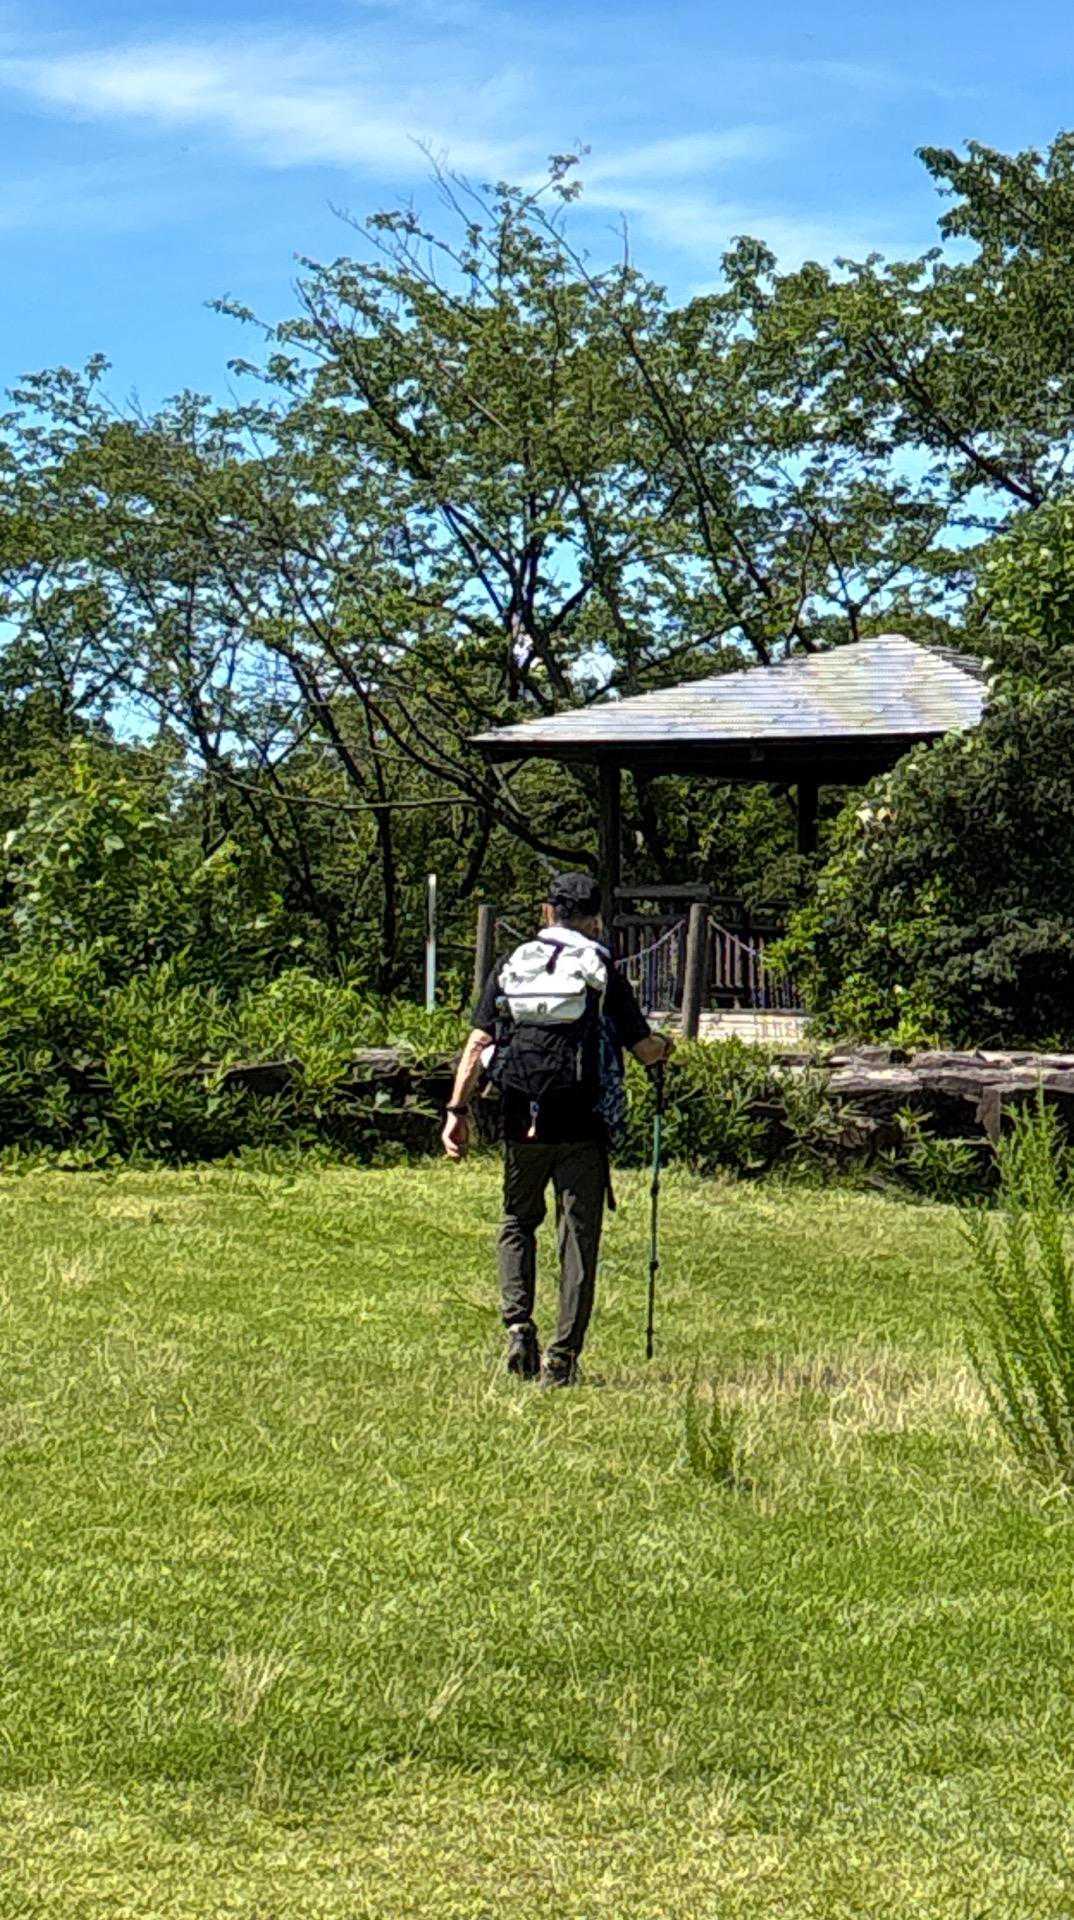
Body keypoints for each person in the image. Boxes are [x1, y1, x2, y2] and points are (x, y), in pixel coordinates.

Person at [441, 872, 674, 1387]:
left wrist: (457, 1111)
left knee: (517, 1220)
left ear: (548, 912)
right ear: (596, 919)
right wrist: (666, 1049)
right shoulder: (600, 969)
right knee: (577, 1236)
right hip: (581, 1120)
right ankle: (562, 1358)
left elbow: (479, 1042)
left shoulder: (513, 963)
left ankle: (519, 1325)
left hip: (519, 1114)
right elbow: (643, 1049)